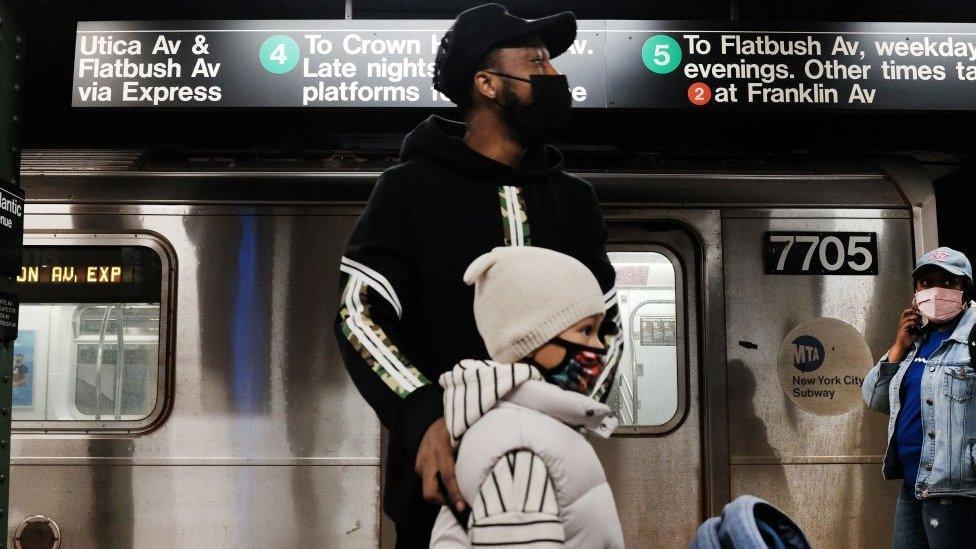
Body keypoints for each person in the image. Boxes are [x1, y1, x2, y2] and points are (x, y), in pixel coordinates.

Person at [332, 4, 623, 546]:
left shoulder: (574, 200)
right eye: (537, 62)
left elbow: (605, 327)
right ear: (488, 84)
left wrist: (555, 420)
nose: (555, 78)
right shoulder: (407, 191)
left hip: (549, 480)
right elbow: (359, 316)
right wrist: (422, 418)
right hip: (439, 486)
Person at [429, 246, 624, 548]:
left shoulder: (532, 428)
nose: (599, 346)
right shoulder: (520, 446)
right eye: (586, 331)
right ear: (530, 339)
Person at [862, 246, 976, 548]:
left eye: (949, 283)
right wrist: (899, 345)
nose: (937, 291)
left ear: (964, 290)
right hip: (913, 487)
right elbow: (874, 398)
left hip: (957, 493)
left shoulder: (973, 338)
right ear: (916, 290)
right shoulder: (916, 340)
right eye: (927, 282)